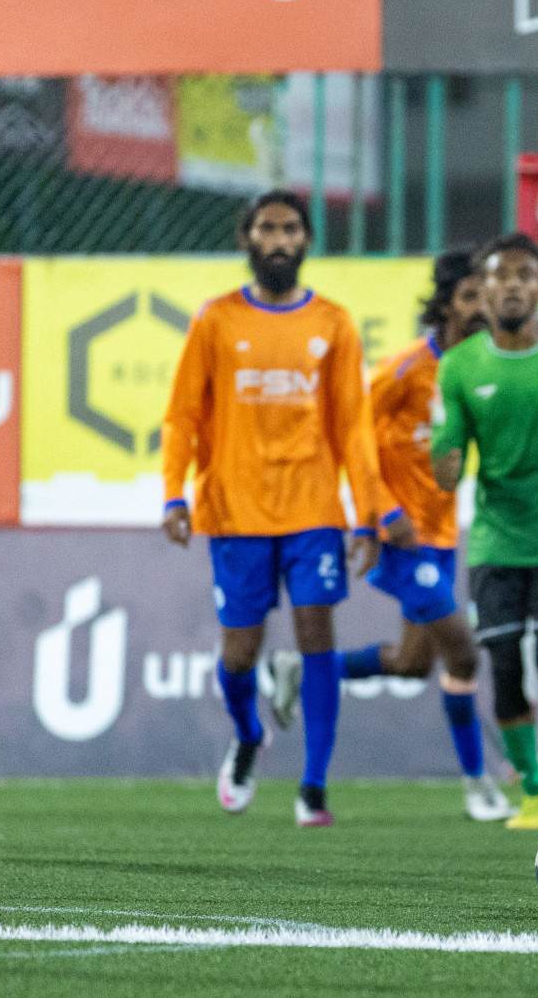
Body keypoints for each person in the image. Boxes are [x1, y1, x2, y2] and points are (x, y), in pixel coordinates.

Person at [161, 189, 380, 827]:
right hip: (235, 512)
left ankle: (313, 788)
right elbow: (181, 417)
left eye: (289, 229)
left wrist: (364, 513)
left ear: (306, 241)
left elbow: (353, 429)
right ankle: (248, 734)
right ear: (248, 240)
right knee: (239, 653)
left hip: (312, 512)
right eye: (267, 229)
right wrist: (174, 493)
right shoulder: (216, 321)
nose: (278, 240)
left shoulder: (333, 324)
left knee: (317, 634)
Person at [268, 250, 513, 822]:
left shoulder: (478, 368)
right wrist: (376, 516)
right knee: (464, 650)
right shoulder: (402, 370)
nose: (481, 308)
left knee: (410, 662)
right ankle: (480, 784)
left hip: (443, 533)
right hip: (401, 535)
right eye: (470, 297)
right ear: (447, 304)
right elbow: (349, 439)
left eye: (486, 296)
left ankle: (301, 668)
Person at [431, 233, 538, 832]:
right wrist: (440, 455)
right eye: (499, 276)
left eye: (525, 275)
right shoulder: (459, 366)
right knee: (500, 663)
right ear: (482, 292)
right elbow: (447, 469)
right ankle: (534, 791)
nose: (512, 286)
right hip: (497, 536)